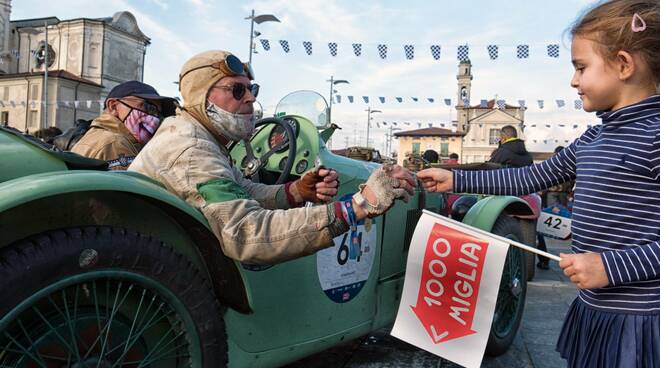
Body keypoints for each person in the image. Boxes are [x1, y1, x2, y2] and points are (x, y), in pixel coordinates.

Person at [417, 1, 660, 366]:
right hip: (594, 310)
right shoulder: (591, 141)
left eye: (581, 67)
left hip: (641, 320)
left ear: (624, 65)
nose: (573, 81)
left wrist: (613, 267)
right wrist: (455, 178)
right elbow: (529, 177)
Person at [129, 50, 416, 265]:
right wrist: (357, 206)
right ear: (201, 98)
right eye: (237, 90)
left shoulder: (200, 137)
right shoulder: (191, 150)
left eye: (251, 89)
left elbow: (243, 190)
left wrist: (295, 191)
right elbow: (246, 233)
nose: (251, 98)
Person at [71, 81, 177, 169]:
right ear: (113, 107)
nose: (155, 118)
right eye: (149, 107)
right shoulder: (115, 143)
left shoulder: (97, 135)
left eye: (159, 114)